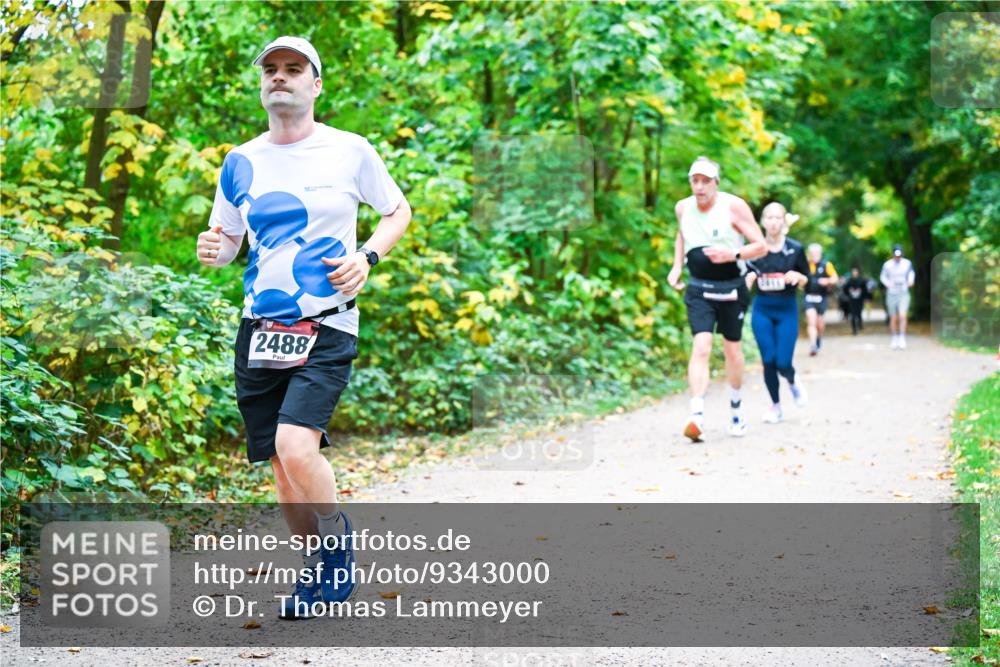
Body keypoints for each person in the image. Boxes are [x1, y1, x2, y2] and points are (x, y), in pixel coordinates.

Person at [195, 36, 412, 619]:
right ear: (262, 85)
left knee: (298, 445)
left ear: (315, 85)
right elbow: (228, 241)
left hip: (328, 322)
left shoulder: (349, 150)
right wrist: (213, 248)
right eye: (271, 70)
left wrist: (366, 258)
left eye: (294, 69)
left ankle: (336, 546)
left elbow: (398, 210)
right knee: (281, 465)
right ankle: (314, 572)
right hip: (259, 327)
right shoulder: (241, 160)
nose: (280, 77)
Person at [667, 156, 766, 442]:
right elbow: (681, 236)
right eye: (694, 181)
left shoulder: (734, 206)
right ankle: (696, 414)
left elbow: (760, 246)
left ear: (715, 183)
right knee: (701, 346)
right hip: (699, 288)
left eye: (705, 181)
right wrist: (676, 266)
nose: (699, 187)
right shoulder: (682, 207)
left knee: (732, 350)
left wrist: (731, 255)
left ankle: (736, 406)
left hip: (731, 287)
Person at [745, 204, 810, 424]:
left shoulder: (795, 249)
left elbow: (806, 280)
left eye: (777, 218)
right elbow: (742, 277)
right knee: (768, 360)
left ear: (784, 222)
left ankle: (792, 381)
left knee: (783, 362)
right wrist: (748, 280)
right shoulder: (754, 250)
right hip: (762, 307)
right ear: (762, 221)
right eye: (769, 217)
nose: (773, 222)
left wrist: (797, 277)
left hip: (787, 308)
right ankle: (775, 406)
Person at [803, 243, 837, 356]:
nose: (814, 255)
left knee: (820, 324)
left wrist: (827, 281)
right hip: (808, 297)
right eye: (812, 253)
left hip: (821, 297)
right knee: (811, 321)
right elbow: (800, 279)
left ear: (820, 254)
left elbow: (835, 278)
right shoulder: (805, 265)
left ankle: (818, 338)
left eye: (816, 253)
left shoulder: (826, 265)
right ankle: (813, 345)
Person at [880, 243, 915, 349]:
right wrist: (887, 284)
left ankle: (902, 337)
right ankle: (894, 337)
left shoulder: (907, 264)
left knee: (902, 315)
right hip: (892, 292)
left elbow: (911, 274)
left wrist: (910, 282)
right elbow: (883, 277)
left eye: (899, 255)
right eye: (896, 255)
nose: (898, 257)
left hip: (903, 291)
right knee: (893, 317)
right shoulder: (887, 265)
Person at [843, 266, 869, 335]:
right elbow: (845, 289)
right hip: (852, 300)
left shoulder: (862, 280)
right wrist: (848, 294)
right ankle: (854, 329)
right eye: (853, 272)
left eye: (856, 271)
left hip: (860, 300)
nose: (854, 273)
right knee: (853, 314)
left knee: (859, 312)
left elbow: (865, 290)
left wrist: (865, 298)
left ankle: (860, 324)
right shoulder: (849, 281)